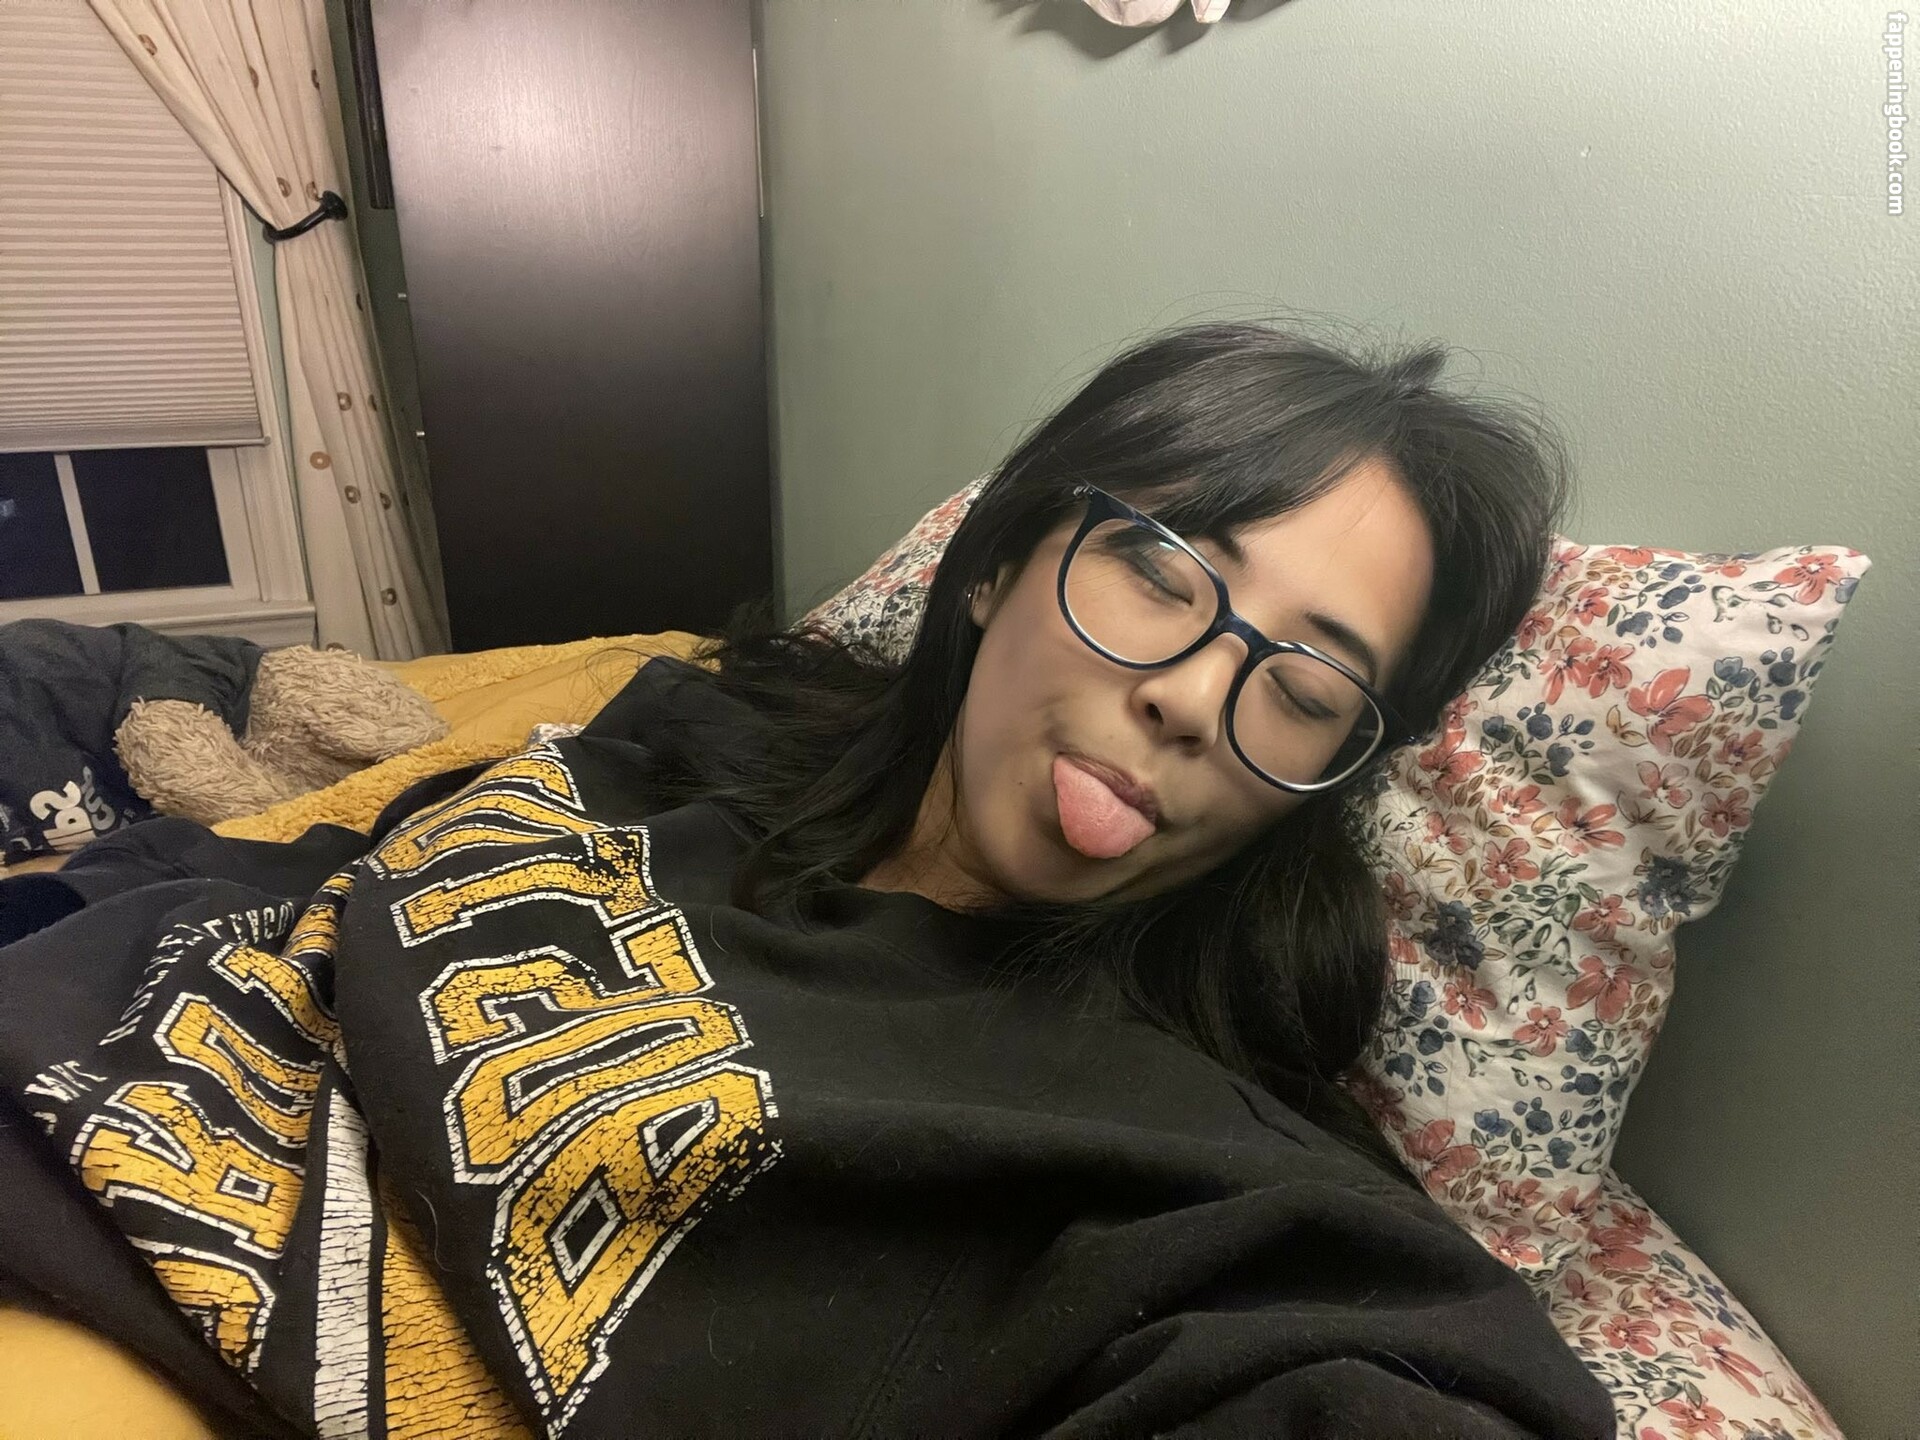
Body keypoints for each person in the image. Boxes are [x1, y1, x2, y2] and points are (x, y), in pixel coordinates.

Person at [0, 322, 1615, 1438]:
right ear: (998, 562)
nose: (1198, 696)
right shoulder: (694, 727)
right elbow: (330, 856)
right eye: (1161, 572)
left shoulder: (1183, 1162)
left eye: (1308, 689)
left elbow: (1356, 1361)